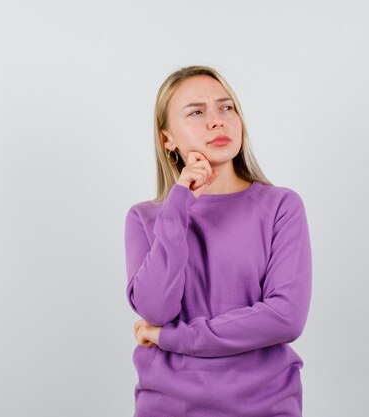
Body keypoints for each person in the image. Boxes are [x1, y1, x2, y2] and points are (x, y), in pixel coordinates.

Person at [124, 65, 312, 417]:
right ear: (168, 139)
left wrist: (170, 337)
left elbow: (285, 318)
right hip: (167, 408)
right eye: (196, 112)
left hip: (265, 407)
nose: (217, 121)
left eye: (226, 107)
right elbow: (156, 309)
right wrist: (178, 202)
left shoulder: (281, 206)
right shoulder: (145, 218)